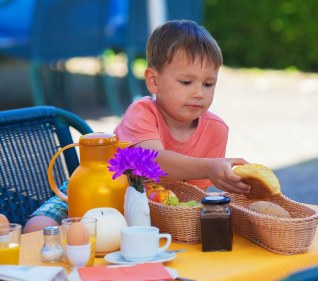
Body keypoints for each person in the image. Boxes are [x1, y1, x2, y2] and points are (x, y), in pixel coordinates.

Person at [24, 20, 250, 233]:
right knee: (39, 227)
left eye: (209, 84)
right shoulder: (142, 112)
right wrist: (208, 167)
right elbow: (151, 161)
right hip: (98, 189)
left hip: (151, 210)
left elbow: (189, 195)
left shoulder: (216, 130)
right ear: (153, 81)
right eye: (186, 82)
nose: (199, 93)